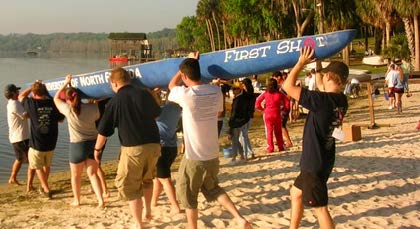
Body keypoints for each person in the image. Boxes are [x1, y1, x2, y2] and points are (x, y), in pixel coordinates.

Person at [168, 52, 252, 229]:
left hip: (194, 156)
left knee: (188, 193)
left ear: (184, 75)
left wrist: (184, 64)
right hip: (212, 154)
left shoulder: (186, 95)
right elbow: (220, 113)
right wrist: (192, 64)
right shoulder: (215, 91)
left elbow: (171, 85)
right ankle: (239, 218)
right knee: (213, 188)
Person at [282, 47, 349, 229]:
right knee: (295, 193)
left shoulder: (321, 101)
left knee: (320, 209)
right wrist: (318, 66)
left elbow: (287, 86)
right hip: (324, 160)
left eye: (323, 75)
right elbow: (321, 86)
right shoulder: (341, 101)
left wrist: (301, 63)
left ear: (328, 77)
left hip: (313, 163)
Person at [93, 67, 161, 228]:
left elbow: (103, 131)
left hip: (133, 148)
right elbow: (157, 114)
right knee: (147, 180)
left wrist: (97, 150)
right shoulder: (144, 93)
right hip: (154, 144)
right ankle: (148, 211)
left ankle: (138, 223)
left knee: (130, 186)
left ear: (114, 83)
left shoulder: (114, 101)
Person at [53, 75, 104, 207]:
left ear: (68, 99)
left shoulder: (68, 110)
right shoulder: (93, 108)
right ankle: (100, 200)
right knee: (92, 174)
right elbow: (97, 113)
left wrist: (66, 83)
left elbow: (56, 98)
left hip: (77, 145)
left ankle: (77, 200)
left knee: (76, 176)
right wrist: (93, 101)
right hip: (93, 143)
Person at [18, 81, 65, 199]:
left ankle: (46, 188)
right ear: (45, 92)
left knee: (37, 166)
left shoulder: (31, 103)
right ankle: (44, 187)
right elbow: (61, 119)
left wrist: (31, 87)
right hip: (51, 141)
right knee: (46, 165)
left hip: (37, 143)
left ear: (34, 93)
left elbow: (20, 96)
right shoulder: (53, 103)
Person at [151, 100, 182, 214]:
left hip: (162, 148)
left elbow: (153, 109)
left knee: (164, 179)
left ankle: (175, 206)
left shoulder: (162, 110)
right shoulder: (177, 108)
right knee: (158, 178)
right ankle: (153, 201)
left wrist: (153, 93)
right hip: (172, 148)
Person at [4, 84, 36, 192]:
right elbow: (26, 115)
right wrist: (37, 111)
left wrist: (32, 88)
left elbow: (22, 95)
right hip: (21, 137)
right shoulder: (15, 104)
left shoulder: (12, 103)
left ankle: (12, 178)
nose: (18, 93)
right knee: (32, 160)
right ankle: (29, 185)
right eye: (16, 91)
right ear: (13, 94)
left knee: (19, 159)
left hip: (16, 137)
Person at [255, 78, 286, 153]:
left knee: (269, 132)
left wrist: (263, 109)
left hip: (268, 114)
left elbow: (257, 103)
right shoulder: (280, 94)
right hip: (277, 114)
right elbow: (287, 101)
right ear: (276, 85)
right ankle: (280, 146)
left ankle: (270, 148)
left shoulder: (265, 93)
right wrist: (283, 109)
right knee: (278, 131)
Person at [228, 81, 251, 164]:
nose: (233, 90)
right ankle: (242, 156)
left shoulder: (238, 100)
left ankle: (234, 158)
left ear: (239, 90)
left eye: (235, 89)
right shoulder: (244, 97)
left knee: (234, 140)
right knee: (236, 139)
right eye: (232, 89)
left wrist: (231, 125)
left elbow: (234, 114)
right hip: (242, 122)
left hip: (237, 122)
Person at [240, 78, 256, 159]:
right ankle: (250, 153)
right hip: (250, 116)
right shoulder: (252, 94)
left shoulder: (245, 95)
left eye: (243, 85)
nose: (242, 86)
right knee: (244, 135)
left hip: (245, 117)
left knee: (242, 136)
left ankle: (246, 154)